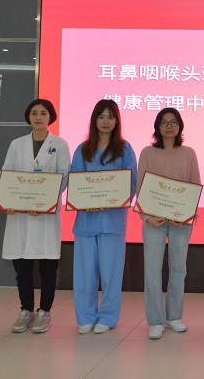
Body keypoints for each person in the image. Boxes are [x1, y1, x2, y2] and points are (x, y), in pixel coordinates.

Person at [1, 98, 70, 334]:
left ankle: (44, 311)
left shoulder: (59, 144)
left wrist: (44, 202)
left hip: (45, 215)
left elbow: (64, 177)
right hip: (20, 215)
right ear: (28, 117)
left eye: (43, 113)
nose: (38, 117)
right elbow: (6, 174)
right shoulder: (16, 144)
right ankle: (26, 310)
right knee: (22, 268)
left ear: (51, 117)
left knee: (48, 267)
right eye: (34, 113)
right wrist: (9, 200)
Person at [70, 99, 137, 334]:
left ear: (117, 121)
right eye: (101, 117)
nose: (105, 121)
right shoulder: (82, 150)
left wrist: (113, 200)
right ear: (94, 120)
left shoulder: (125, 149)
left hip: (112, 221)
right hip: (86, 221)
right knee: (85, 273)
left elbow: (132, 182)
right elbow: (75, 181)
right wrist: (83, 202)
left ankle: (108, 317)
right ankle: (86, 316)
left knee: (111, 273)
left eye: (110, 117)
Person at [137, 107, 201, 340]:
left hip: (180, 222)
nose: (169, 126)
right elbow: (140, 188)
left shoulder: (188, 153)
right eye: (164, 122)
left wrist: (186, 214)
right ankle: (155, 320)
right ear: (157, 127)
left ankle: (173, 316)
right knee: (152, 270)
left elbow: (194, 185)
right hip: (153, 221)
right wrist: (147, 218)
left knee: (179, 269)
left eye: (173, 122)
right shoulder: (147, 152)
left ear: (180, 126)